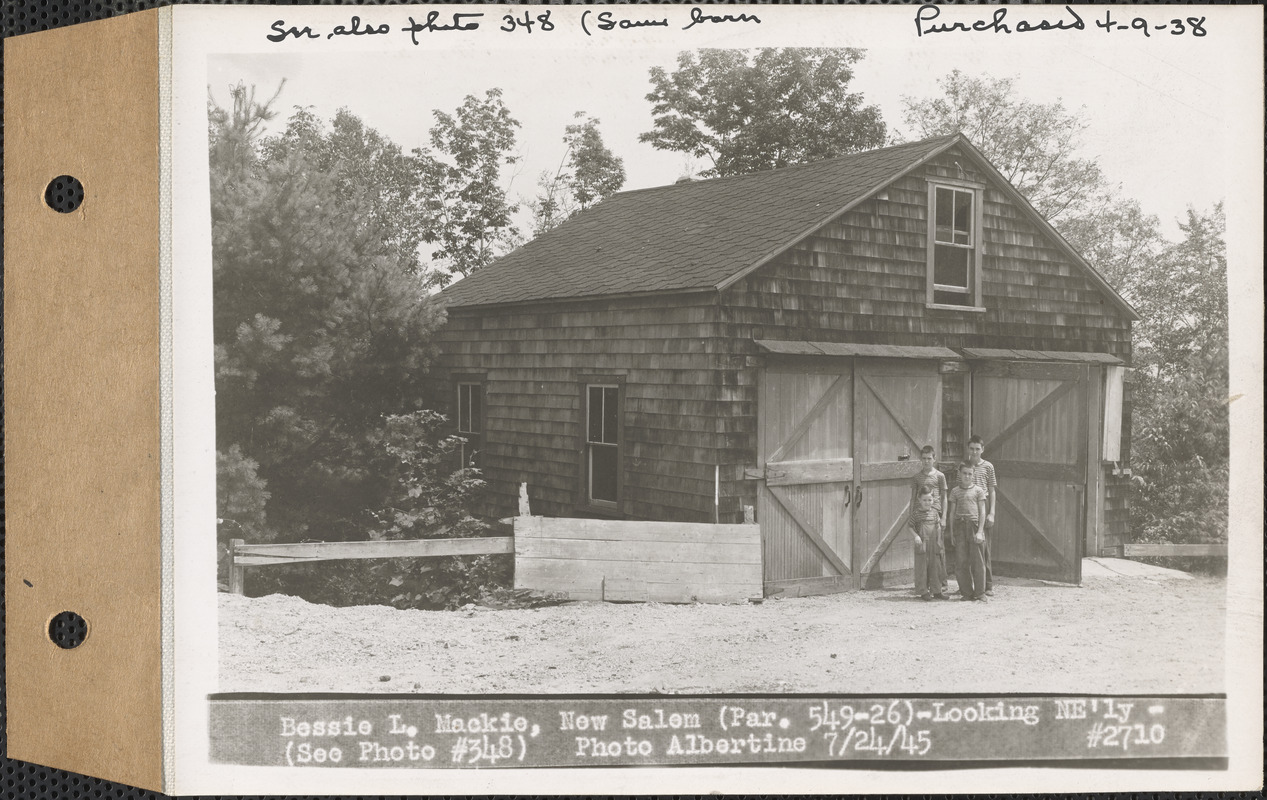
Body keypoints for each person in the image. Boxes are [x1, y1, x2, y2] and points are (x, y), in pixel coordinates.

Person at [910, 445, 950, 593]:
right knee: (923, 552)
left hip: (936, 517)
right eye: (924, 459)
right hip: (921, 517)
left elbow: (945, 497)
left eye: (929, 458)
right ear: (921, 459)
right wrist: (911, 515)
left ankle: (941, 583)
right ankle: (925, 584)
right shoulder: (916, 477)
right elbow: (913, 498)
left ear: (934, 459)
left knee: (939, 551)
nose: (927, 461)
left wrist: (944, 516)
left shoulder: (940, 476)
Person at [946, 463, 988, 601]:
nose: (967, 476)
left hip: (974, 526)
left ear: (974, 474)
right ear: (960, 473)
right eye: (964, 473)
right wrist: (952, 533)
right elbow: (951, 513)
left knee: (978, 561)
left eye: (970, 474)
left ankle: (980, 592)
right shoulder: (955, 491)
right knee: (961, 561)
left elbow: (982, 511)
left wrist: (980, 531)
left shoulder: (978, 491)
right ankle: (967, 593)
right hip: (959, 527)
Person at [966, 434, 997, 596]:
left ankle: (988, 584)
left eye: (978, 449)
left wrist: (991, 513)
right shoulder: (964, 466)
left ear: (982, 449)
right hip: (968, 507)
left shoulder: (988, 467)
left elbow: (992, 491)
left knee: (984, 548)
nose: (975, 452)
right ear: (968, 449)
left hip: (983, 507)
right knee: (969, 549)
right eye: (972, 449)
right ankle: (969, 584)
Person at [907, 485, 946, 600]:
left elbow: (938, 526)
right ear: (919, 500)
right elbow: (909, 526)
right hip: (922, 544)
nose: (927, 502)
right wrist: (916, 536)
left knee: (936, 567)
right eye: (924, 500)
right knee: (922, 567)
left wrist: (939, 539)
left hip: (934, 543)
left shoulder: (935, 513)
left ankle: (937, 591)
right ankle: (923, 591)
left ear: (933, 500)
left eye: (929, 500)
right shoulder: (916, 513)